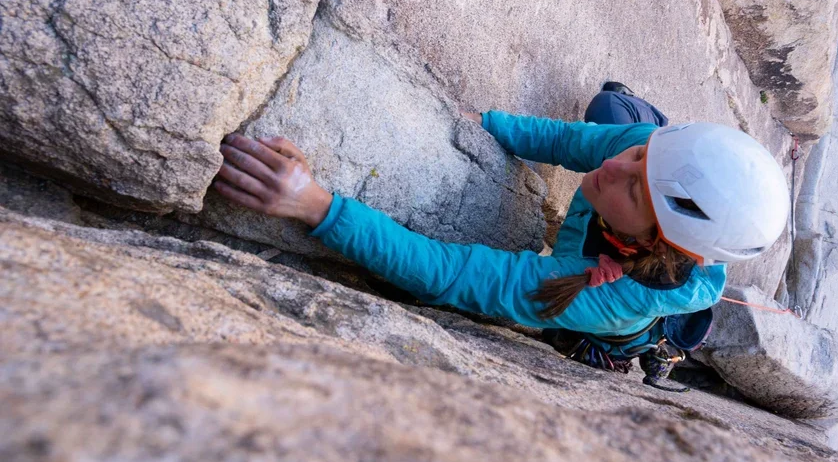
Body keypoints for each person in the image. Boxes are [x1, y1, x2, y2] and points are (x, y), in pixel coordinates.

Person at [212, 82, 789, 378]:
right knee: (611, 112)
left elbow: (454, 274)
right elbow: (568, 142)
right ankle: (641, 115)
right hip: (621, 235)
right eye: (641, 156)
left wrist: (317, 207)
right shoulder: (645, 151)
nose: (614, 166)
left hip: (601, 320)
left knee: (613, 112)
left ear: (651, 241)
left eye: (635, 189)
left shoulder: (602, 299)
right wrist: (485, 125)